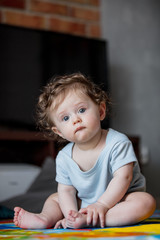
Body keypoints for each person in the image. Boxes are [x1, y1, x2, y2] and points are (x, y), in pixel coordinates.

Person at [13, 73, 156, 229]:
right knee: (55, 198)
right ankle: (44, 218)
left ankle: (91, 220)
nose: (75, 119)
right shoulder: (64, 157)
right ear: (59, 132)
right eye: (65, 118)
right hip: (85, 204)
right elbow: (66, 190)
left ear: (101, 111)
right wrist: (71, 215)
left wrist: (102, 205)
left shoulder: (117, 142)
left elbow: (124, 177)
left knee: (145, 202)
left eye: (81, 110)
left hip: (119, 201)